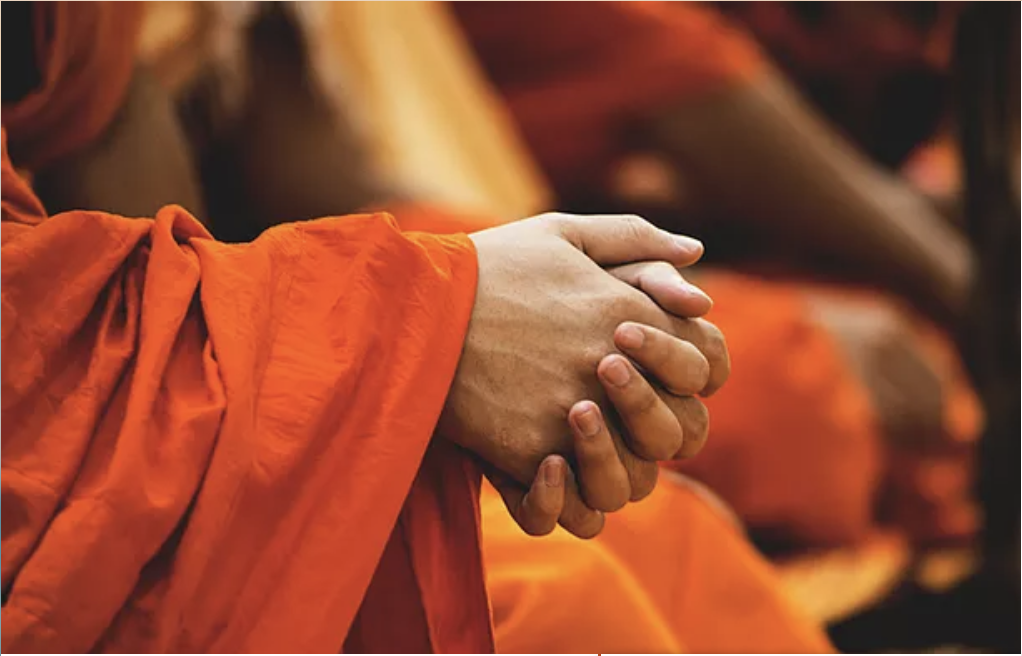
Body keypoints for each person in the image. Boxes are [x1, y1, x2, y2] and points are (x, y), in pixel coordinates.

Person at [1, 2, 734, 652]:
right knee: (567, 604)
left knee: (680, 547)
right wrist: (431, 328)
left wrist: (444, 319)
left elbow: (154, 284)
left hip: (255, 320)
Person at [453, 0, 982, 549]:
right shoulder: (642, 36)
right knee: (829, 380)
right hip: (482, 269)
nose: (919, 50)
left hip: (531, 262)